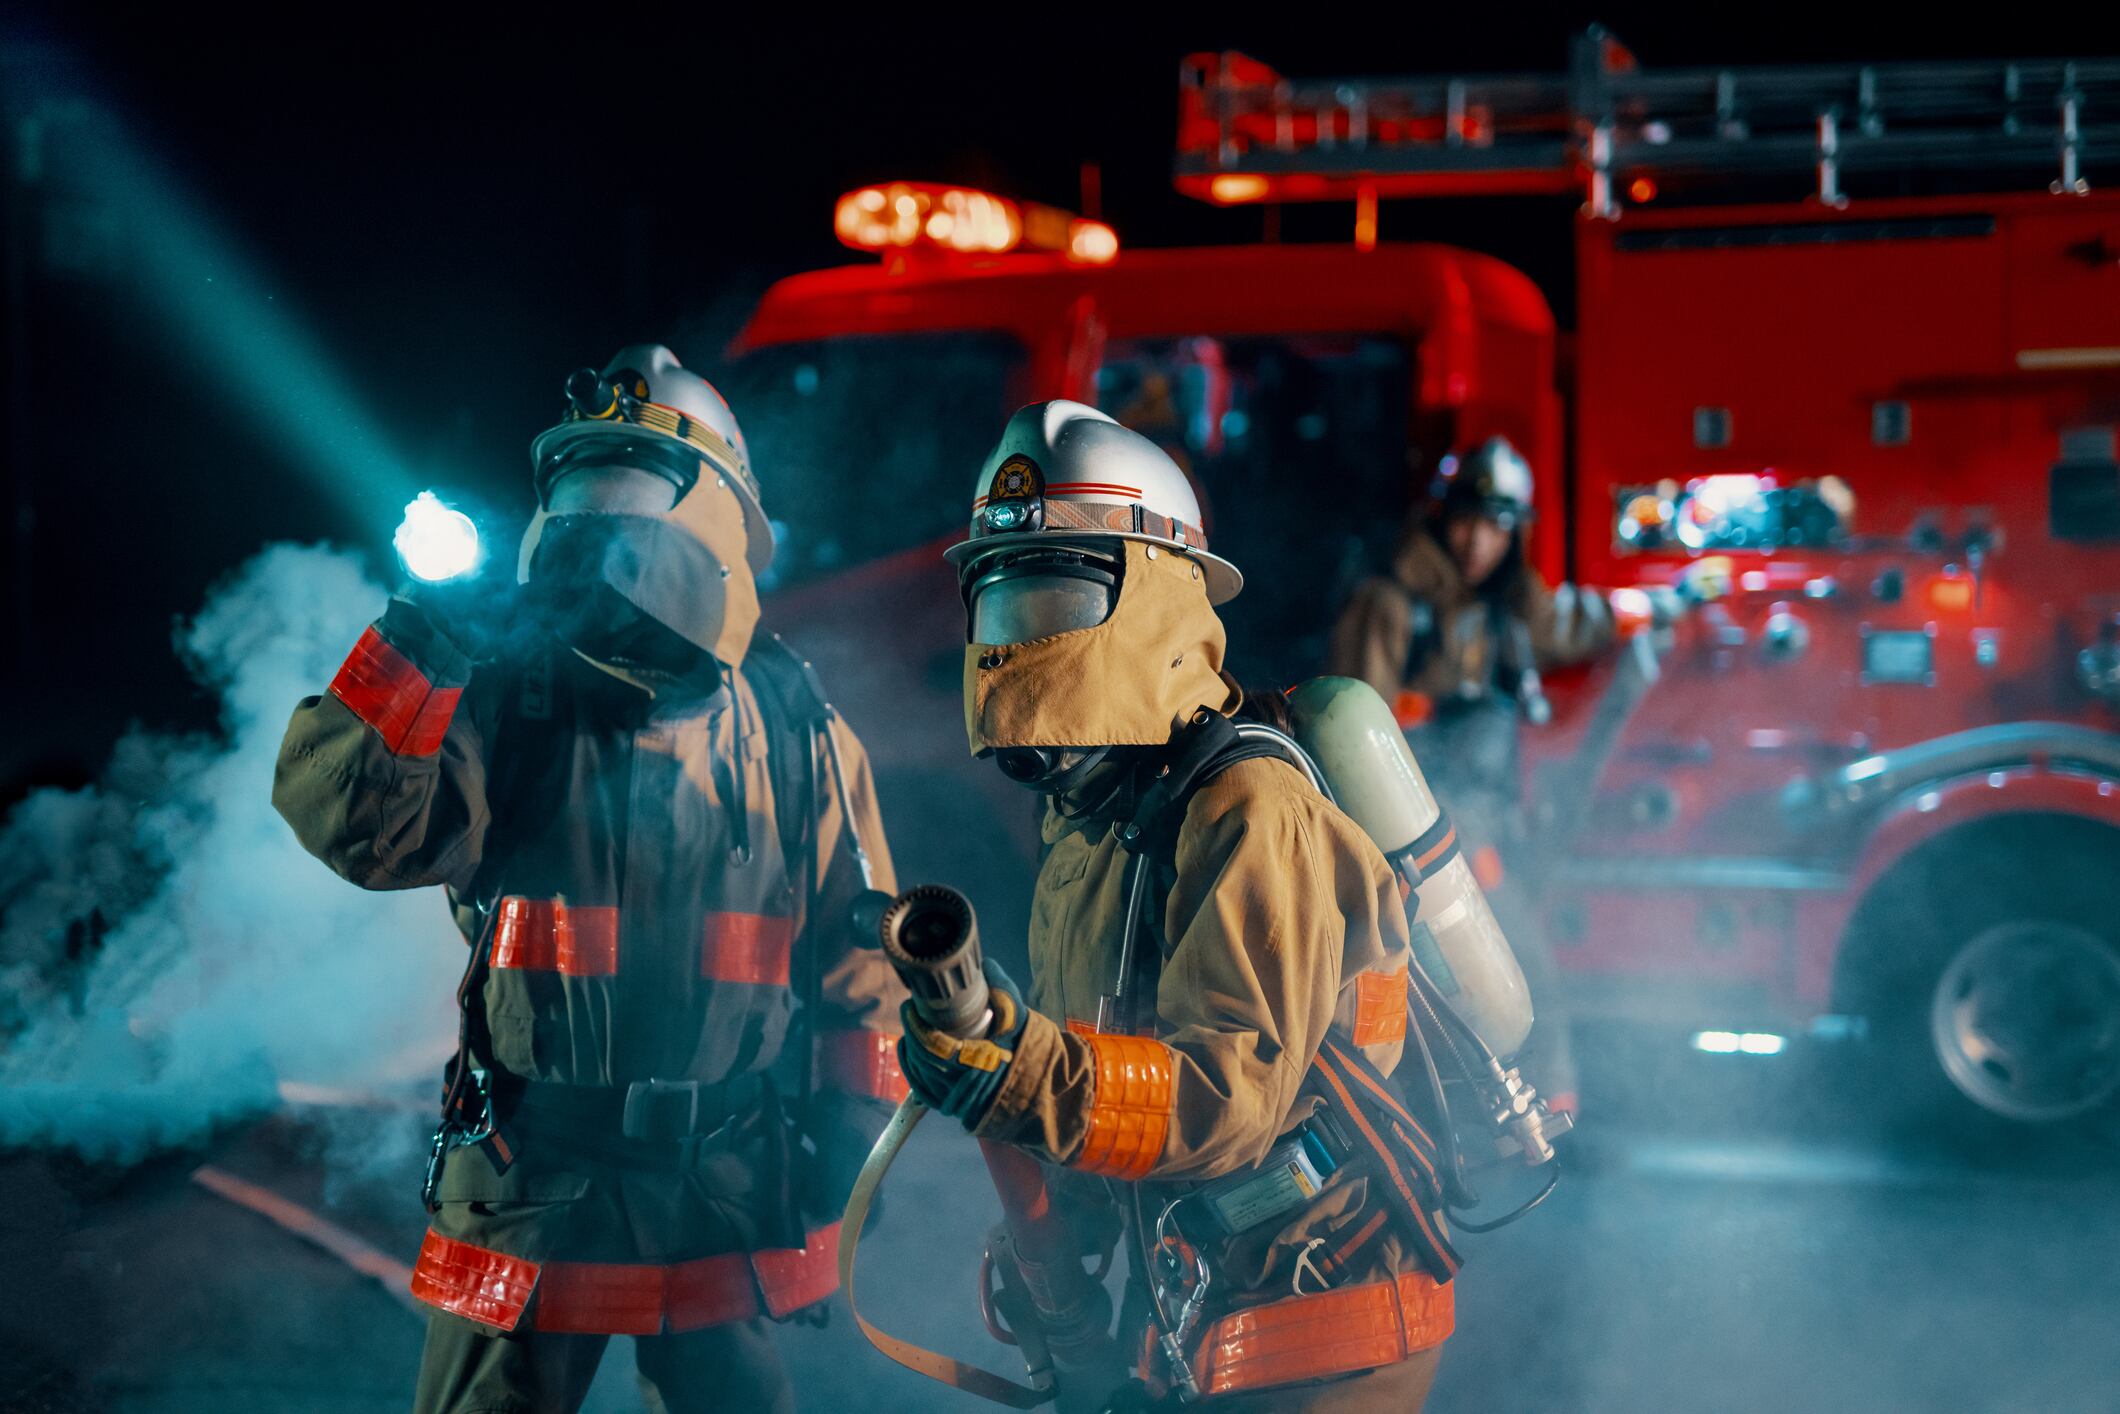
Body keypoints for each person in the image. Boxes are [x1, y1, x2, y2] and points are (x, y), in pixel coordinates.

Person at [273, 345, 906, 1414]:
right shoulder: (500, 700)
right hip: (529, 1179)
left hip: (720, 1185)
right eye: (586, 509)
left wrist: (857, 1131)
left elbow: (862, 965)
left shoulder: (798, 730)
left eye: (635, 506)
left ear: (718, 526)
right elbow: (356, 829)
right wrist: (419, 640)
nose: (609, 551)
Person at [900, 400, 1457, 1411]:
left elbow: (1221, 1101)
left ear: (1158, 598)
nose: (1020, 644)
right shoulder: (1093, 816)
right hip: (1206, 1298)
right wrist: (1055, 1232)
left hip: (1327, 1314)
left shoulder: (1250, 808)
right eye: (1003, 603)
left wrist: (1022, 1076)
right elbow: (1113, 1054)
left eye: (1054, 600)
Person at [1327, 435, 1618, 1115]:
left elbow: (1562, 630)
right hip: (1427, 835)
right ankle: (1544, 1109)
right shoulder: (1392, 603)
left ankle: (1518, 1112)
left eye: (1496, 526)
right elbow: (1352, 735)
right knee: (1512, 963)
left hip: (1487, 821)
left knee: (1486, 971)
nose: (1477, 542)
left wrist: (1646, 608)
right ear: (1440, 518)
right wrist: (1429, 845)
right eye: (1466, 521)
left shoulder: (1500, 609)